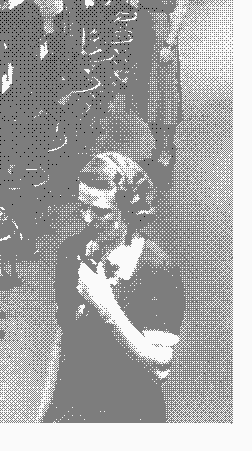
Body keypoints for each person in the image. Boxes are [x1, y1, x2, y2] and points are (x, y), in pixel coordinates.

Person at [43, 152, 185, 422]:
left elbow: (159, 365)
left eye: (100, 212)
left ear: (129, 211)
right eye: (81, 207)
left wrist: (106, 306)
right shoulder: (71, 252)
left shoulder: (158, 271)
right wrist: (49, 411)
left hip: (130, 409)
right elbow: (67, 339)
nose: (86, 220)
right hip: (76, 403)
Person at [90, 0, 191, 174]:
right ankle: (158, 142)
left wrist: (170, 42)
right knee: (145, 90)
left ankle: (166, 147)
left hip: (162, 29)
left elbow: (181, 6)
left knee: (164, 91)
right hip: (145, 24)